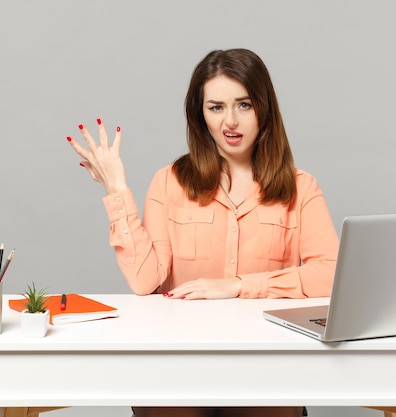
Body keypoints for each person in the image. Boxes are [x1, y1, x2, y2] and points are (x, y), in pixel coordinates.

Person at [66, 48, 339, 417]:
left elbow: (332, 275)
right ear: (200, 115)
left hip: (266, 361)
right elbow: (146, 280)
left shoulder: (300, 187)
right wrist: (116, 190)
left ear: (264, 109)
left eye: (243, 105)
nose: (231, 121)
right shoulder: (169, 182)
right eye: (216, 107)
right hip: (178, 359)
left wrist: (240, 285)